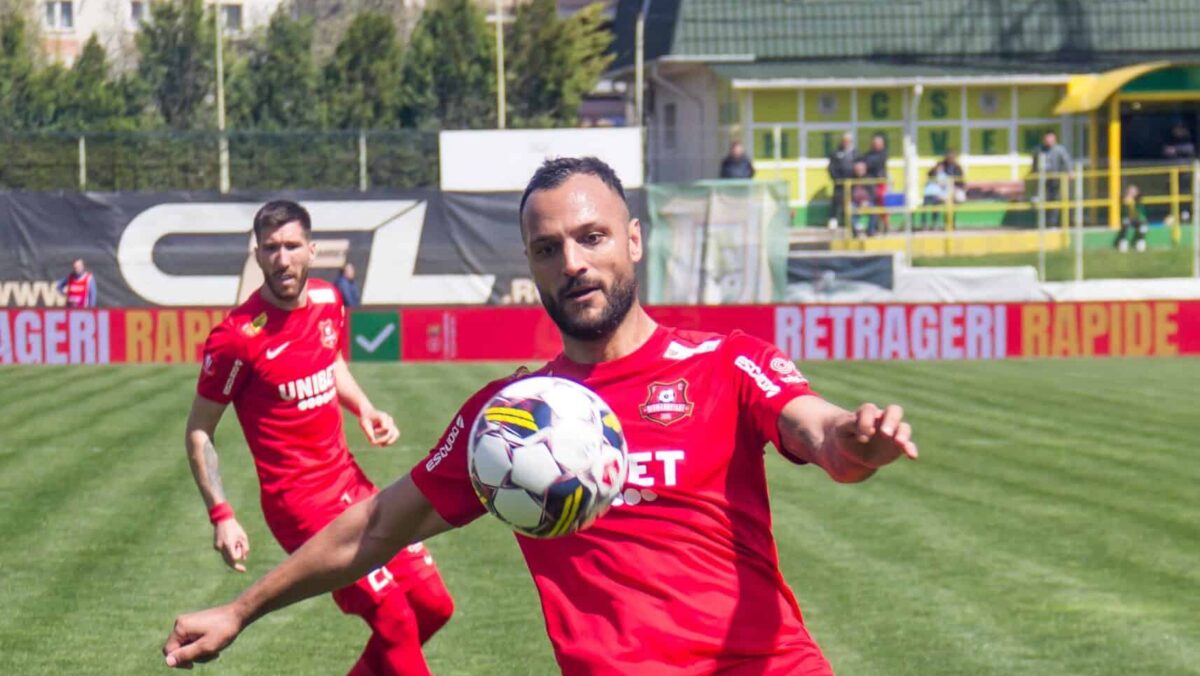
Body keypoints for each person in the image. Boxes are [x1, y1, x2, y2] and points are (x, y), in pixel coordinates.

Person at [163, 159, 919, 675]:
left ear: (632, 240)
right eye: (548, 248)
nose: (574, 263)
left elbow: (820, 435)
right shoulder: (510, 419)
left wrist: (857, 438)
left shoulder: (723, 362)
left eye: (591, 238)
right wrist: (241, 609)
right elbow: (377, 526)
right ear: (532, 266)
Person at [182, 200, 454, 676]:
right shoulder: (237, 337)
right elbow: (200, 430)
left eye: (291, 246)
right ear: (258, 254)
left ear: (312, 250)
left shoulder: (329, 300)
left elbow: (330, 360)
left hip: (351, 484)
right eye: (270, 248)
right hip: (299, 506)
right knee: (392, 618)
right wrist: (222, 514)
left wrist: (364, 407)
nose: (281, 258)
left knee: (434, 606)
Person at [1033, 131, 1072, 227]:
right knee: (1042, 201)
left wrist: (1069, 172)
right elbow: (1034, 165)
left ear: (1054, 139)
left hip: (1056, 180)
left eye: (1051, 138)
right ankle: (1041, 223)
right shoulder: (1039, 150)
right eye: (1047, 138)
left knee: (1054, 201)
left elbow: (1066, 161)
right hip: (1042, 180)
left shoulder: (1060, 150)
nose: (1049, 140)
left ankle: (1052, 224)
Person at [827, 132, 856, 229]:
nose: (846, 143)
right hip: (839, 182)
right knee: (836, 201)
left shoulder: (855, 153)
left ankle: (852, 222)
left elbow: (859, 165)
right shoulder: (836, 152)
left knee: (851, 202)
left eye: (848, 141)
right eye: (844, 141)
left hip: (852, 183)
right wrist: (836, 178)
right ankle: (833, 220)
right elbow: (831, 167)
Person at [862, 133, 890, 233]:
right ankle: (874, 226)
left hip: (880, 182)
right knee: (872, 204)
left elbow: (874, 164)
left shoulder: (883, 153)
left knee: (881, 203)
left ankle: (886, 224)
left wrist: (867, 165)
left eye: (878, 143)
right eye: (874, 143)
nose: (876, 145)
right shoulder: (868, 154)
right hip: (870, 183)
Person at [1113, 184, 1148, 253]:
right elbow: (1123, 210)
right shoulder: (1124, 200)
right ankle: (1123, 243)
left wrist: (1142, 219)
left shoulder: (1138, 200)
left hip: (1137, 220)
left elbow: (1141, 213)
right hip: (1128, 219)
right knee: (1125, 223)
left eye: (1134, 192)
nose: (1132, 193)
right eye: (1131, 191)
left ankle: (1141, 242)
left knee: (1143, 225)